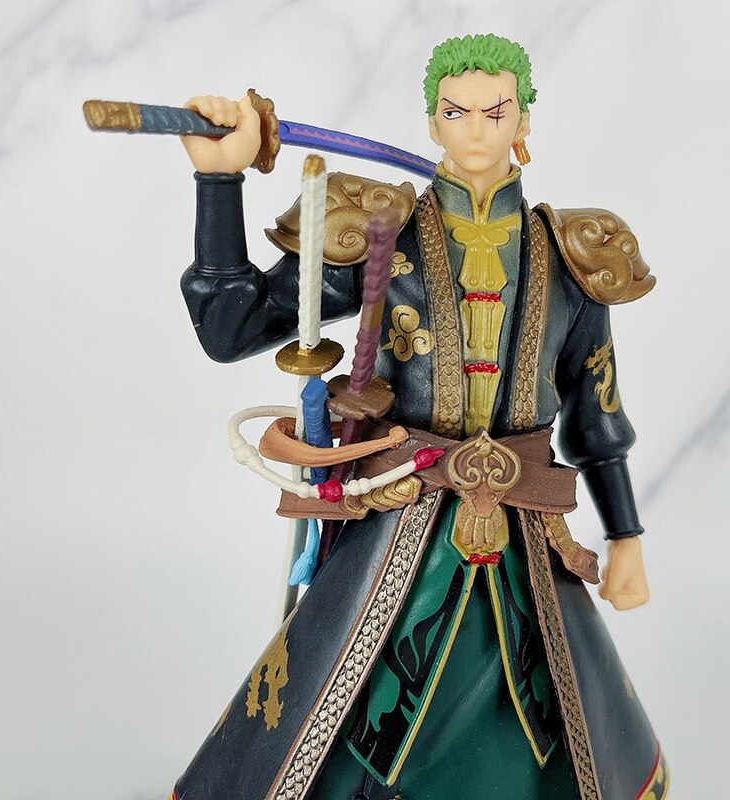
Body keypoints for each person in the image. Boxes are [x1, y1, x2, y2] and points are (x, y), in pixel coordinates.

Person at [171, 34, 668, 800]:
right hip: (401, 511)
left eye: (495, 111)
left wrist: (625, 537)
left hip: (525, 529)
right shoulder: (380, 234)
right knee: (352, 681)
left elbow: (598, 416)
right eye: (455, 111)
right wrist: (218, 180)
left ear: (523, 122)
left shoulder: (574, 258)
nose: (476, 129)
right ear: (433, 123)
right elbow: (230, 328)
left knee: (547, 698)